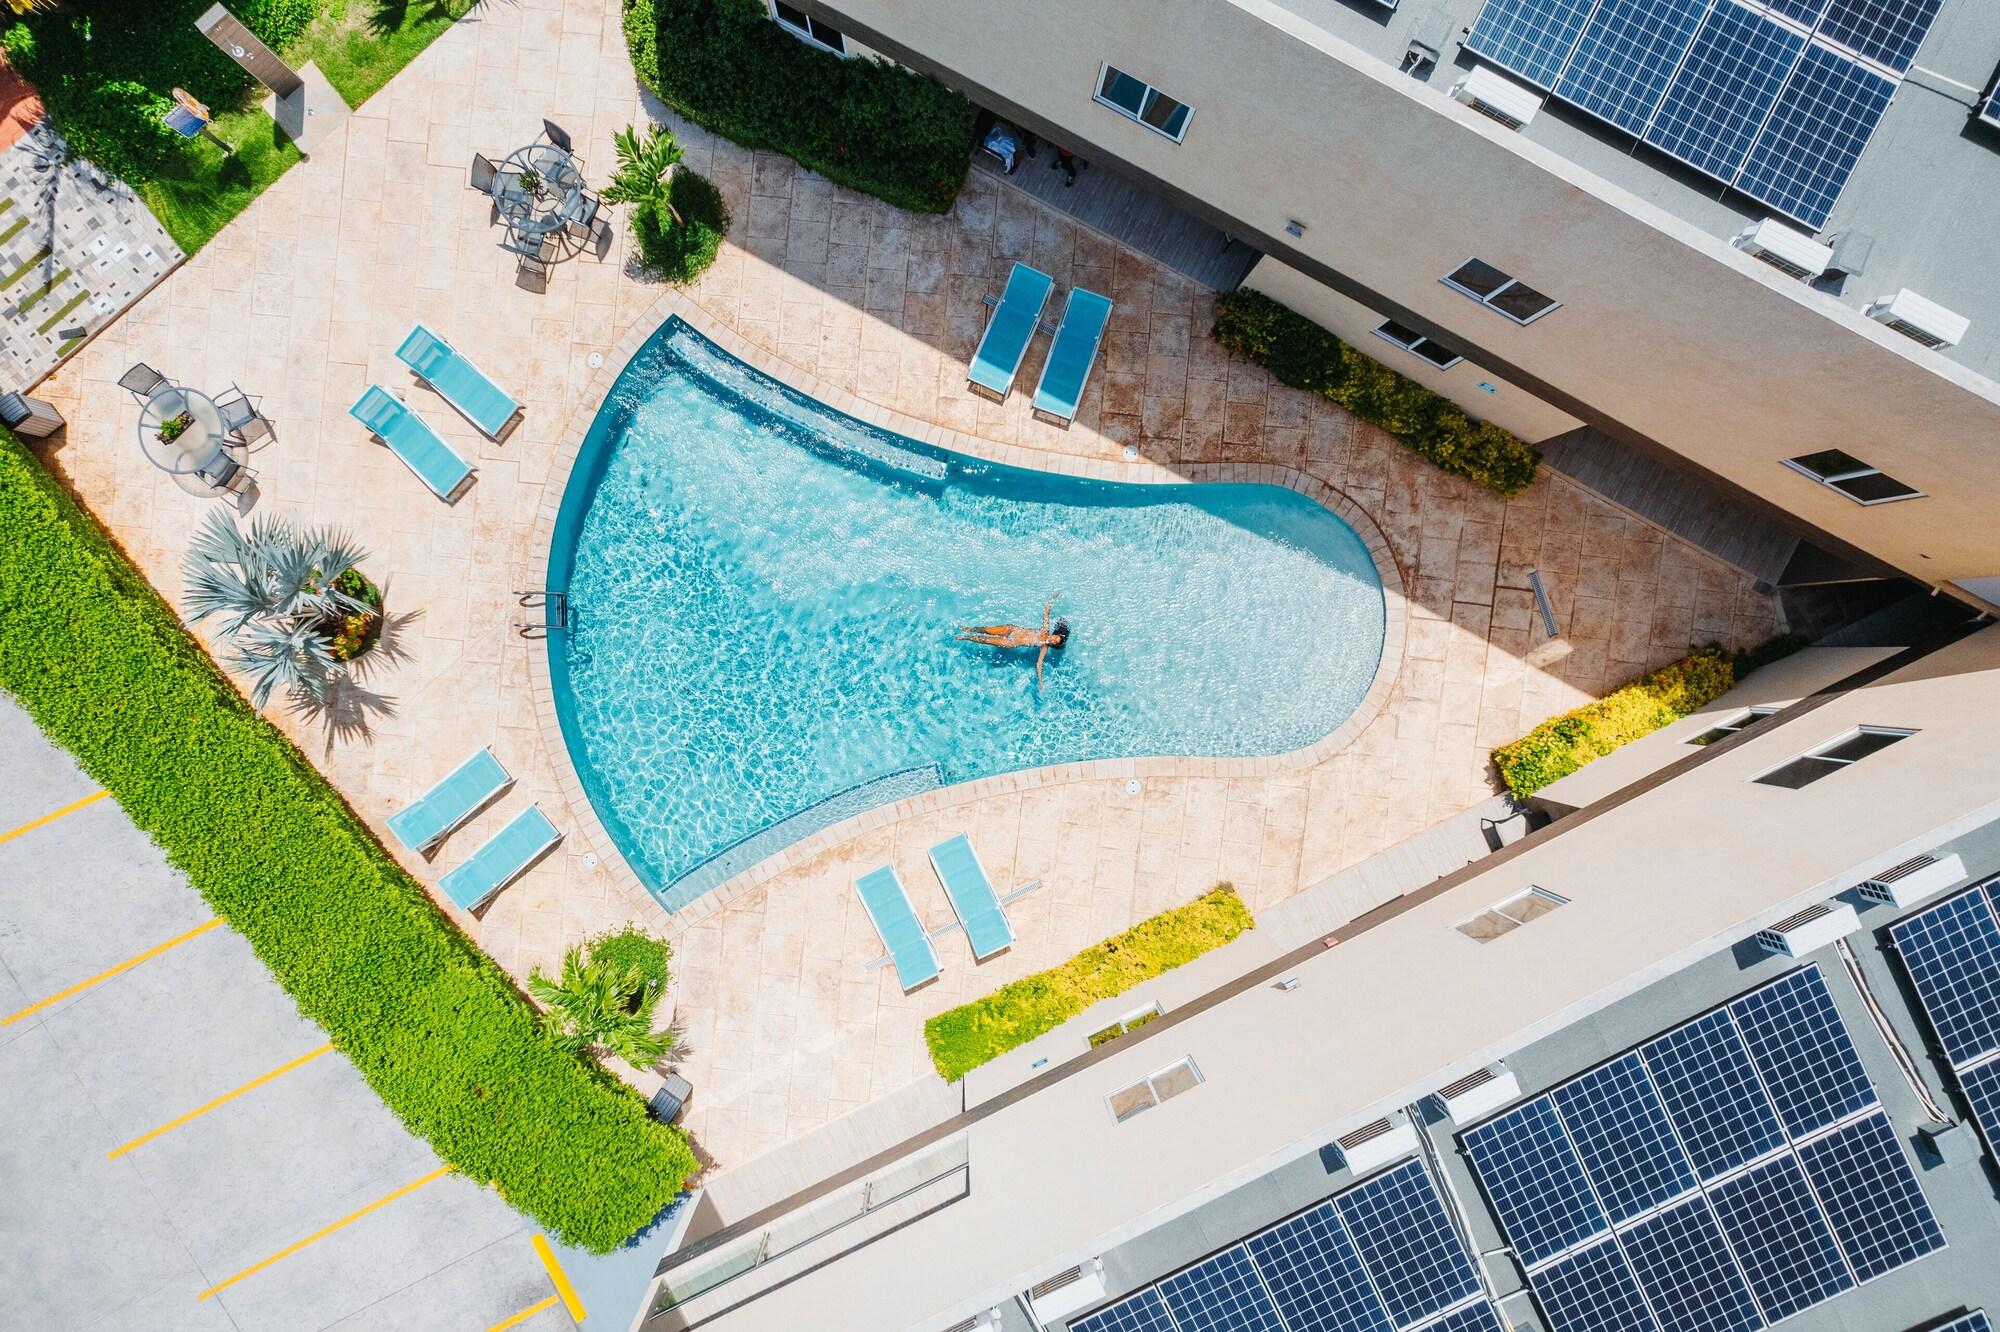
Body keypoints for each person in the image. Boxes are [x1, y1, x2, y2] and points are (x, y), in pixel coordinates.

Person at [957, 592, 1069, 688]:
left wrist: (1040, 681)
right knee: (986, 630)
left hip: (1011, 642)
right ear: (1054, 634)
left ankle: (966, 637)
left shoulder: (1044, 647)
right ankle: (969, 629)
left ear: (1053, 644)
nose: (1053, 639)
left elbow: (1039, 663)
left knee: (984, 640)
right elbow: (1046, 611)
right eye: (1055, 637)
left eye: (1055, 642)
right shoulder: (1045, 630)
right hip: (1011, 630)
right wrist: (1053, 597)